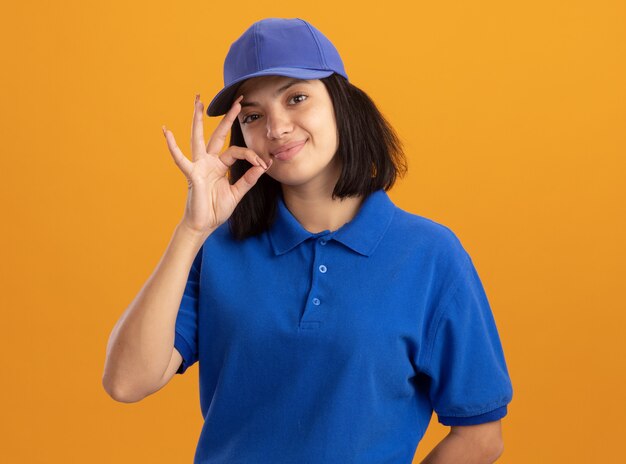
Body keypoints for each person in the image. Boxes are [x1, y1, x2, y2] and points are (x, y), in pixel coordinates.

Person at [102, 17, 513, 464]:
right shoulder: (217, 251)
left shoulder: (431, 256)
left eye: (297, 98)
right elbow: (126, 382)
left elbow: (480, 436)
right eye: (254, 115)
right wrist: (192, 231)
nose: (276, 128)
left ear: (342, 104)